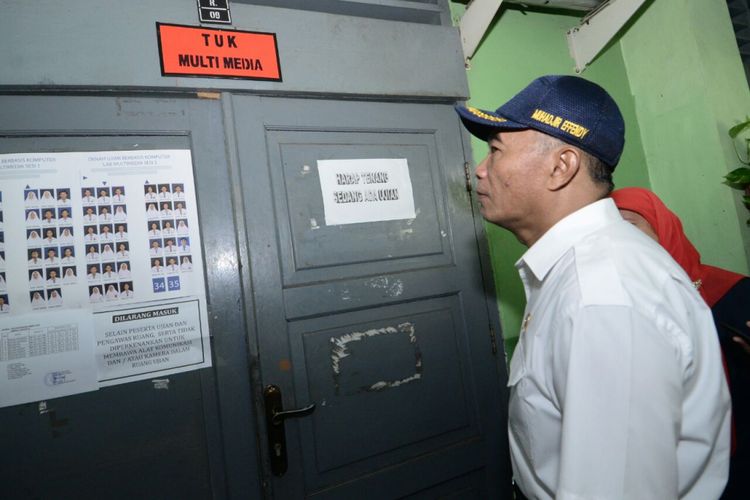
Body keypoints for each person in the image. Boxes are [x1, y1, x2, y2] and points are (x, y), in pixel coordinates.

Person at [455, 75, 730, 499]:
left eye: (495, 150)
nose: (480, 168)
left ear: (561, 166)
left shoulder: (603, 295)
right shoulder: (583, 272)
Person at [611, 186, 750, 499]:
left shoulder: (733, 295)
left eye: (631, 227)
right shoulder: (616, 308)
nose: (621, 241)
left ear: (663, 228)